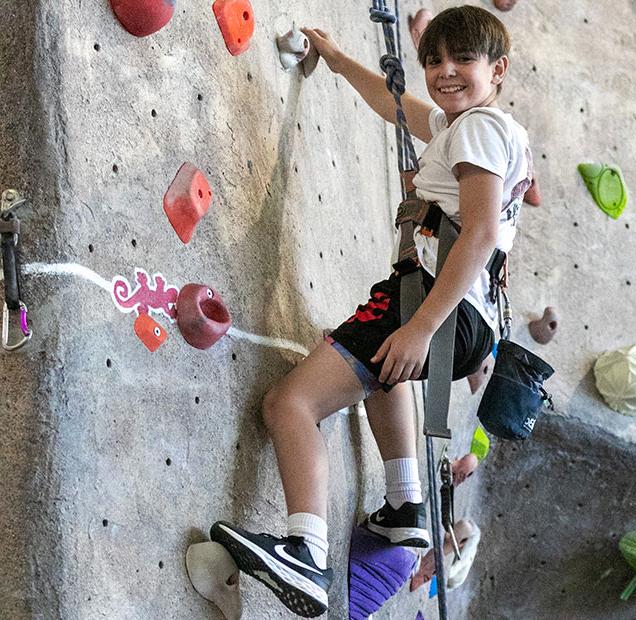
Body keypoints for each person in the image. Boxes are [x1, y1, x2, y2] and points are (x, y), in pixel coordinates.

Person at [209, 6, 532, 617]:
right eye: (434, 59)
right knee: (381, 368)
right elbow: (396, 106)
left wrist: (421, 327)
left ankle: (304, 549)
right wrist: (333, 59)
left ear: (499, 70)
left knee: (291, 403)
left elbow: (482, 231)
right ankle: (406, 504)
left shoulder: (478, 130)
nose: (445, 71)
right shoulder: (471, 127)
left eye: (463, 59)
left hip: (433, 302)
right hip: (465, 315)